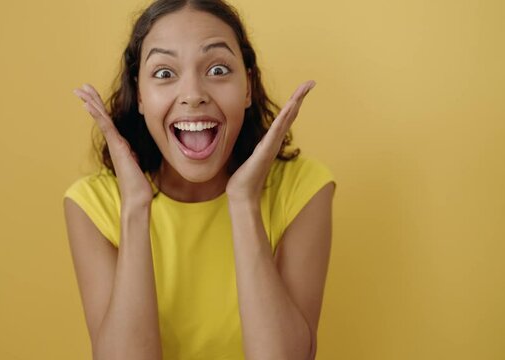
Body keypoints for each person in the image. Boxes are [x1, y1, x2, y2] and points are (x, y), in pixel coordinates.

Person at [63, 0, 337, 359]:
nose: (193, 95)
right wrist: (135, 207)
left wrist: (242, 202)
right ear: (141, 94)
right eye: (164, 73)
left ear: (248, 88)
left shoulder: (303, 189)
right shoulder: (92, 205)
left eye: (218, 69)